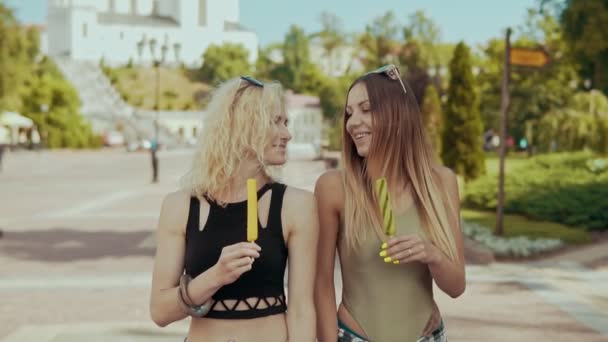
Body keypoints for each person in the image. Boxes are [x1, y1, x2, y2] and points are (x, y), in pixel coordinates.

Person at [150, 76, 318, 342]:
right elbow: (160, 312)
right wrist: (215, 277)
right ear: (242, 125)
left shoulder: (296, 205)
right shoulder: (180, 206)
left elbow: (301, 310)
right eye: (276, 121)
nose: (288, 134)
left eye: (286, 122)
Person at [314, 65, 465, 342]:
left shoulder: (441, 183)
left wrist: (431, 254)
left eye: (366, 109)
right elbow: (321, 283)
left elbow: (456, 286)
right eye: (349, 113)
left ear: (398, 114)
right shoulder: (334, 187)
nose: (352, 122)